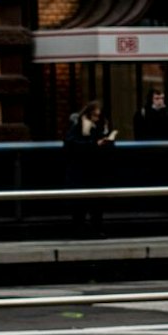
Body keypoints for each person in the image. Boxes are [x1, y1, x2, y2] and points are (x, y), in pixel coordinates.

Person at [63, 99, 116, 235]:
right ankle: (79, 228)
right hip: (80, 172)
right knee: (80, 203)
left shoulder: (99, 126)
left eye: (98, 116)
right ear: (87, 115)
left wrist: (106, 140)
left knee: (97, 203)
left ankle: (96, 228)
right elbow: (71, 146)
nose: (96, 119)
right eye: (94, 115)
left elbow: (107, 147)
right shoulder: (77, 127)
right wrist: (90, 139)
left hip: (96, 172)